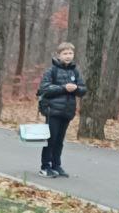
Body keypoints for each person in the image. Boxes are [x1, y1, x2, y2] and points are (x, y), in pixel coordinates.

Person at [35, 41, 86, 178]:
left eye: (70, 53)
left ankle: (56, 165)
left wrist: (76, 88)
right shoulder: (51, 71)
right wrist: (63, 88)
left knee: (59, 141)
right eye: (65, 53)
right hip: (52, 111)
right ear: (59, 55)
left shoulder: (75, 71)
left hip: (67, 112)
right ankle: (45, 167)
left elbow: (83, 90)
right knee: (50, 139)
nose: (68, 56)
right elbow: (44, 89)